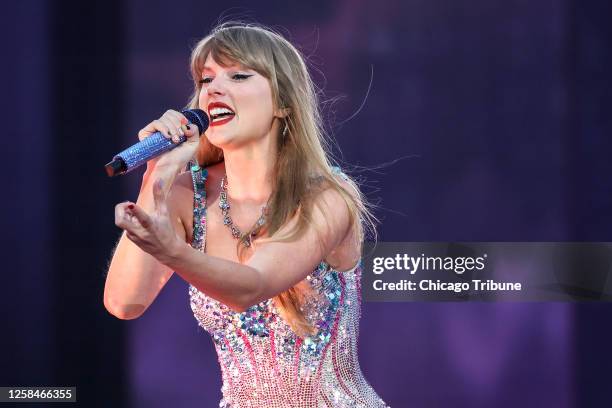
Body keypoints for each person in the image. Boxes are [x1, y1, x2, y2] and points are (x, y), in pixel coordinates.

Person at [104, 22, 389, 407]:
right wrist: (156, 177)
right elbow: (124, 303)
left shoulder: (326, 195)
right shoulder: (187, 194)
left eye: (238, 75)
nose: (214, 89)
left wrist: (173, 251)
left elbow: (251, 287)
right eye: (206, 80)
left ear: (283, 103)